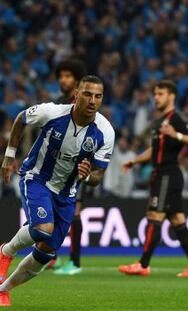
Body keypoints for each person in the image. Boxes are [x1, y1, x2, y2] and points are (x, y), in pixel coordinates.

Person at [0, 75, 115, 306]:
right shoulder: (52, 112)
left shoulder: (105, 132)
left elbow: (98, 176)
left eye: (98, 96)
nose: (92, 100)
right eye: (87, 94)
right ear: (76, 95)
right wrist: (9, 157)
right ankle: (6, 251)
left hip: (67, 193)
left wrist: (87, 176)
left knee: (45, 253)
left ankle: (3, 289)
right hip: (37, 177)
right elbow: (21, 118)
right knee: (42, 229)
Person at [118, 80, 188, 277]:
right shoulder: (159, 122)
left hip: (168, 173)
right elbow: (154, 149)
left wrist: (177, 135)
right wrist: (135, 161)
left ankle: (143, 264)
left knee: (154, 216)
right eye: (155, 94)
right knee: (177, 220)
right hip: (162, 174)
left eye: (160, 94)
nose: (156, 98)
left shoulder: (176, 118)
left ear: (171, 96)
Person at [53, 57, 88, 275]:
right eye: (61, 76)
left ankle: (74, 262)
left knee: (74, 213)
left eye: (68, 76)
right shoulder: (57, 103)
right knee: (53, 214)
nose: (63, 80)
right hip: (56, 167)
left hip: (78, 165)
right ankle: (52, 257)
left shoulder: (83, 103)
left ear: (76, 80)